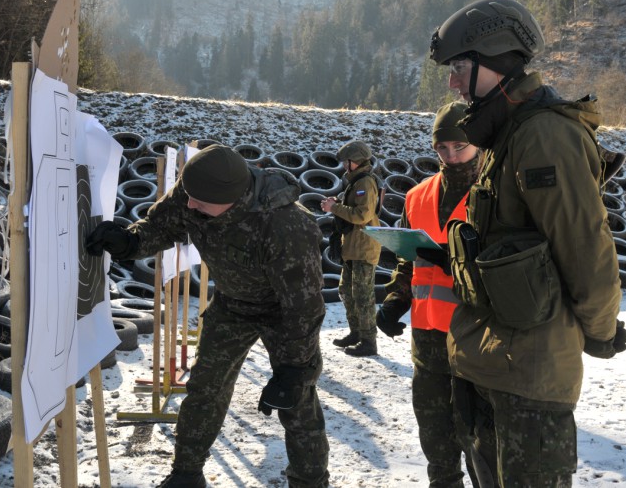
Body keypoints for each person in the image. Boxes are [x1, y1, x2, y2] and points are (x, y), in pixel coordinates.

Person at [429, 0, 626, 487]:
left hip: (529, 376)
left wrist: (601, 331)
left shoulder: (543, 136)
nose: (452, 82)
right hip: (489, 360)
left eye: (459, 67)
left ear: (495, 59)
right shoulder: (508, 135)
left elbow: (586, 250)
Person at [86, 144, 329, 488]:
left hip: (283, 311)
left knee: (298, 402)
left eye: (199, 202)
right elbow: (159, 226)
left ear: (232, 198)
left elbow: (303, 307)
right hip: (232, 305)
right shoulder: (195, 191)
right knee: (205, 389)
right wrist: (127, 242)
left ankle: (311, 482)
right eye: (188, 196)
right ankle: (186, 474)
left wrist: (295, 369)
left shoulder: (286, 226)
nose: (189, 205)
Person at [375, 101, 481, 488]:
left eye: (460, 147)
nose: (451, 156)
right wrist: (394, 301)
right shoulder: (417, 195)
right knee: (435, 433)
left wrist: (452, 259)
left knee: (480, 439)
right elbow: (409, 259)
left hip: (478, 334)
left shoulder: (495, 195)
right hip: (428, 336)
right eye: (442, 148)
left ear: (477, 144)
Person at [321, 140, 382, 357]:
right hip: (353, 248)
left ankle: (368, 341)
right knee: (346, 291)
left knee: (362, 295)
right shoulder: (356, 182)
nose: (344, 166)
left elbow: (362, 215)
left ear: (355, 161)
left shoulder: (365, 183)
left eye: (346, 162)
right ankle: (356, 332)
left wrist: (334, 207)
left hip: (363, 248)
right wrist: (337, 204)